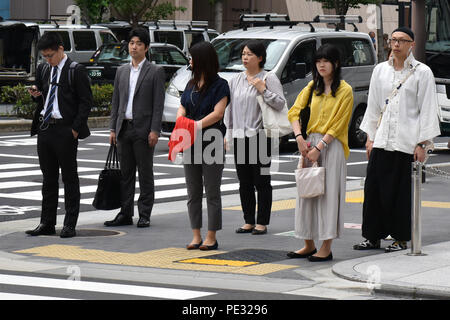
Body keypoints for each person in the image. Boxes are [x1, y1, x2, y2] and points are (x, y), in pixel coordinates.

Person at [353, 27, 441, 253]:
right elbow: (373, 106)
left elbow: (428, 109)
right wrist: (370, 138)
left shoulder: (423, 72)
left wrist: (423, 144)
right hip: (382, 139)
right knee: (373, 191)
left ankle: (400, 238)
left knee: (401, 194)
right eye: (393, 40)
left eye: (402, 40)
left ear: (412, 44)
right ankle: (372, 237)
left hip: (406, 142)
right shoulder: (380, 70)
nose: (396, 44)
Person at [286, 43, 353, 262]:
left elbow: (338, 124)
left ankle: (326, 247)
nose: (321, 65)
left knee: (328, 197)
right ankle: (308, 244)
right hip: (309, 143)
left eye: (326, 60)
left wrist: (319, 148)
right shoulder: (311, 87)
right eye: (318, 61)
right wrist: (298, 138)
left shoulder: (345, 90)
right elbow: (294, 112)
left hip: (331, 146)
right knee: (306, 193)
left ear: (336, 63)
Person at [26, 32, 93, 238]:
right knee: (48, 179)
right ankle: (46, 222)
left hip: (65, 129)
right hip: (45, 128)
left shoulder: (76, 70)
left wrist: (74, 128)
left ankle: (69, 224)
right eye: (44, 56)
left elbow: (86, 101)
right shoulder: (44, 69)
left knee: (70, 178)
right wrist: (36, 94)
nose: (48, 59)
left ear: (60, 49)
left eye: (50, 55)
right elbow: (44, 97)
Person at [105, 28, 165, 228]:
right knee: (126, 174)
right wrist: (113, 128)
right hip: (124, 128)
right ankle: (125, 212)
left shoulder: (155, 71)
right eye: (131, 43)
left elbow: (158, 104)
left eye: (139, 43)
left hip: (144, 129)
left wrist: (155, 130)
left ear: (146, 47)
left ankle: (145, 213)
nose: (134, 47)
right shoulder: (122, 71)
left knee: (145, 173)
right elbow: (116, 102)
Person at [224, 40, 286, 235]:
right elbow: (229, 110)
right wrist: (228, 133)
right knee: (244, 181)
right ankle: (248, 220)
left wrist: (262, 89)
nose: (245, 57)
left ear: (260, 58)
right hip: (240, 136)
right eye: (243, 53)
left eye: (250, 54)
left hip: (260, 136)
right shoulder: (235, 80)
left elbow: (280, 104)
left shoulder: (269, 77)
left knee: (262, 181)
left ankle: (262, 222)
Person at [176, 41, 230, 250]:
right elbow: (182, 106)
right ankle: (196, 235)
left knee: (212, 192)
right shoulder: (190, 84)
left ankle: (211, 236)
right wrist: (183, 120)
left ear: (202, 61)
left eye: (192, 57)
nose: (190, 61)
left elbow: (218, 113)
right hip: (190, 141)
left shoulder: (220, 85)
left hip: (212, 141)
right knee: (193, 191)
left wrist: (195, 124)